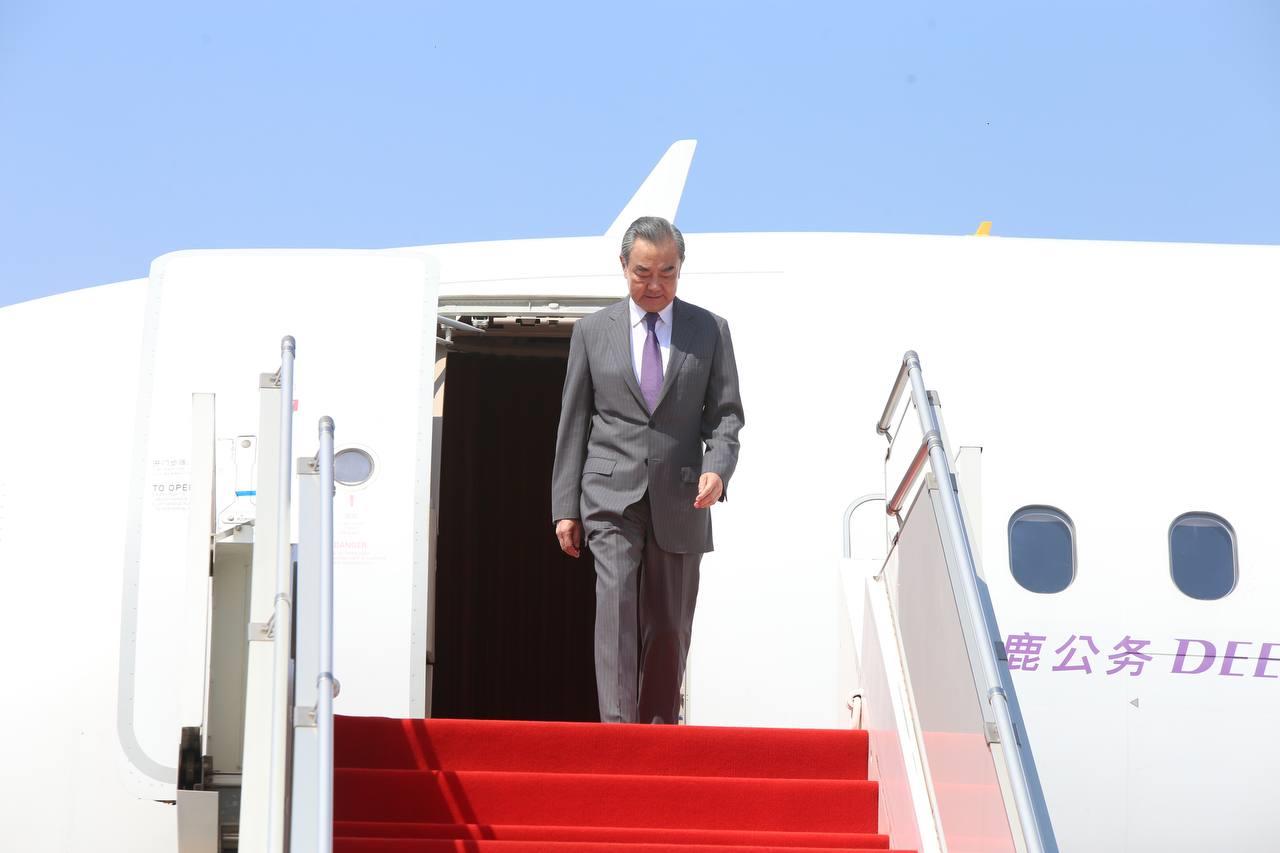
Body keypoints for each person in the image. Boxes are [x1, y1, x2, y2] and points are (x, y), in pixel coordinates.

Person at [551, 215, 744, 724]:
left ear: (681, 268)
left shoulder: (710, 329)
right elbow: (574, 420)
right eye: (643, 272)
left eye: (667, 272)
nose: (655, 284)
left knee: (670, 624)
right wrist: (565, 507)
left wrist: (718, 468)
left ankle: (657, 732)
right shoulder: (593, 331)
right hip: (609, 494)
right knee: (615, 609)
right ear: (623, 266)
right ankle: (619, 731)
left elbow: (726, 416)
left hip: (682, 494)